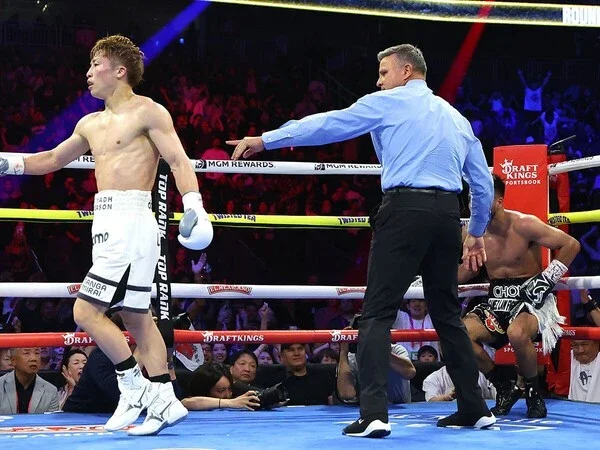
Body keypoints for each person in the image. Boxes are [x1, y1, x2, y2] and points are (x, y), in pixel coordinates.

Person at [228, 43, 495, 437]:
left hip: (404, 211)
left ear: (406, 71)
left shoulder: (389, 103)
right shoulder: (456, 118)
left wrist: (267, 139)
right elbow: (483, 183)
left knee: (376, 314)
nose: (379, 81)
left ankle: (373, 414)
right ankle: (474, 408)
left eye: (384, 72)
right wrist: (475, 231)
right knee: (447, 315)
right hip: (446, 217)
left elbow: (328, 124)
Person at [0, 35, 213, 435]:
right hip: (107, 221)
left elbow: (178, 159)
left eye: (95, 64)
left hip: (132, 220)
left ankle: (134, 388)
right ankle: (163, 400)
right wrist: (7, 163)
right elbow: (52, 159)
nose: (88, 72)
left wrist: (194, 204)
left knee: (85, 312)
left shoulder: (148, 111)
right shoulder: (90, 123)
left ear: (119, 70)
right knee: (137, 316)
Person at [459, 175, 580, 418]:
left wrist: (545, 280)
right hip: (496, 301)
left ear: (499, 201)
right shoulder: (471, 233)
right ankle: (503, 384)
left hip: (532, 301)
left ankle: (534, 393)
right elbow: (467, 270)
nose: (476, 203)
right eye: (472, 198)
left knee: (517, 332)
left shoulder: (525, 224)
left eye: (482, 197)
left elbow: (571, 245)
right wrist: (434, 281)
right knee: (458, 333)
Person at [0, 347, 59, 414]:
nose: (34, 358)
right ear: (13, 360)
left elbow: (52, 420)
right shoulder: (1, 385)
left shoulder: (51, 391)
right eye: (26, 353)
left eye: (37, 353)